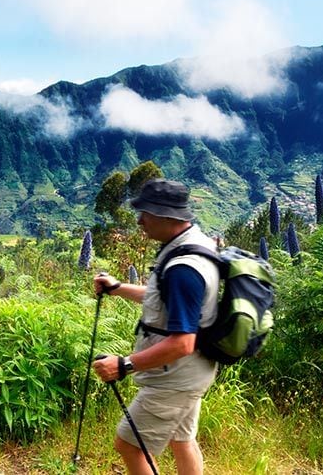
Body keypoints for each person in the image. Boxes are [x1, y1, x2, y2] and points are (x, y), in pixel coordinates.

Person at [93, 178, 220, 475]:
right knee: (182, 439)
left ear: (167, 216)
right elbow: (163, 299)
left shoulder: (182, 269)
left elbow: (182, 342)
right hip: (194, 370)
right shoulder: (195, 245)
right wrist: (118, 288)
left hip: (176, 375)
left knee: (129, 445)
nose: (139, 220)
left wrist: (124, 365)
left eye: (145, 214)